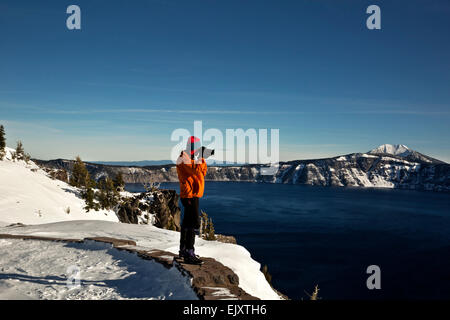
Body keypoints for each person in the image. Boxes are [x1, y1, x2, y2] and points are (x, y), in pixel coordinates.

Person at [176, 136, 207, 264]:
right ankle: (189, 252)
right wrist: (200, 158)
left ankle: (183, 249)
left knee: (188, 222)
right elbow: (195, 171)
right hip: (189, 194)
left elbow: (203, 171)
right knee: (193, 223)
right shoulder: (184, 157)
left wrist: (201, 158)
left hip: (193, 194)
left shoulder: (193, 159)